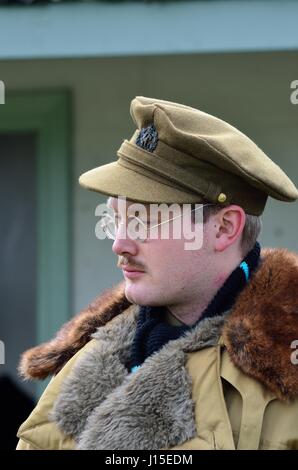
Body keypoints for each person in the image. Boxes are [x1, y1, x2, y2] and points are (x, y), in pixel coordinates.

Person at [16, 96, 298, 450]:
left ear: (224, 228)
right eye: (116, 220)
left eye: (144, 222)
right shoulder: (88, 363)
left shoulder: (285, 369)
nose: (120, 243)